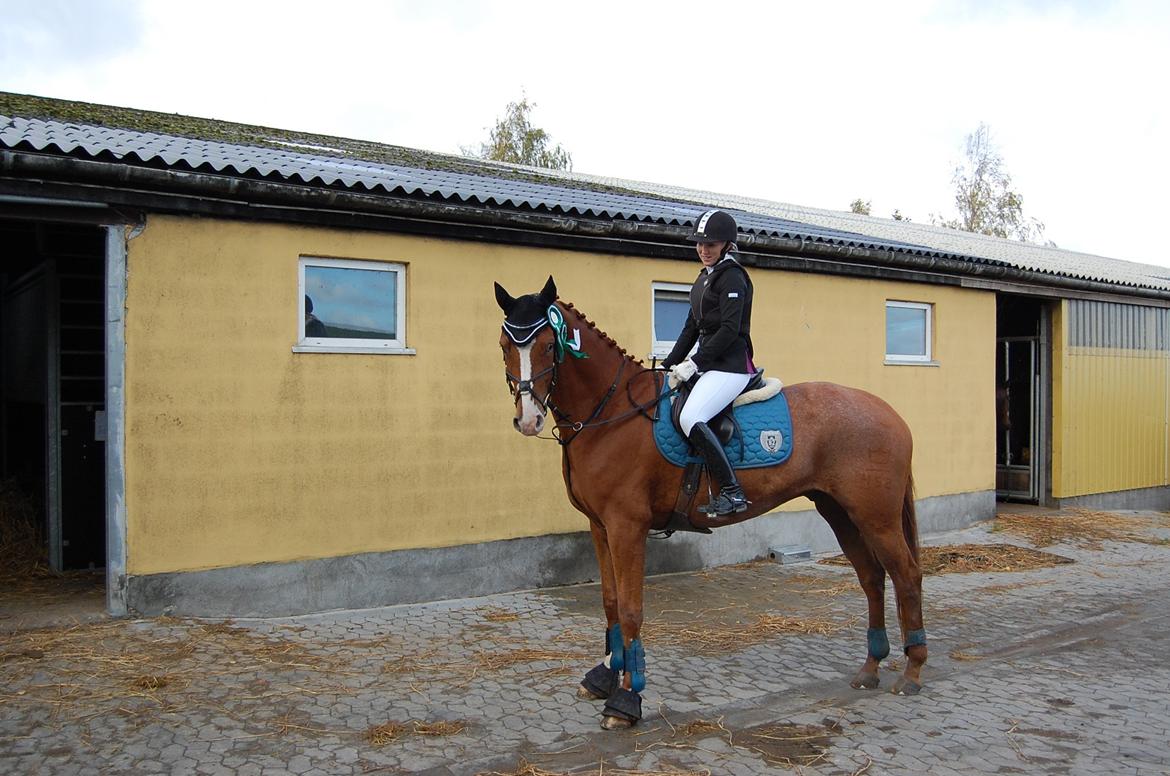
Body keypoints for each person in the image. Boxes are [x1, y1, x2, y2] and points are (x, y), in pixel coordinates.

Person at [661, 209, 755, 517]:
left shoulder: (733, 277)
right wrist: (669, 363)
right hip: (709, 364)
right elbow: (691, 327)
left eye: (711, 245)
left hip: (731, 366)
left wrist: (695, 362)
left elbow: (729, 330)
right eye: (700, 244)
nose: (703, 250)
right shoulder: (704, 278)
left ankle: (732, 491)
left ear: (727, 245)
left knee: (690, 417)